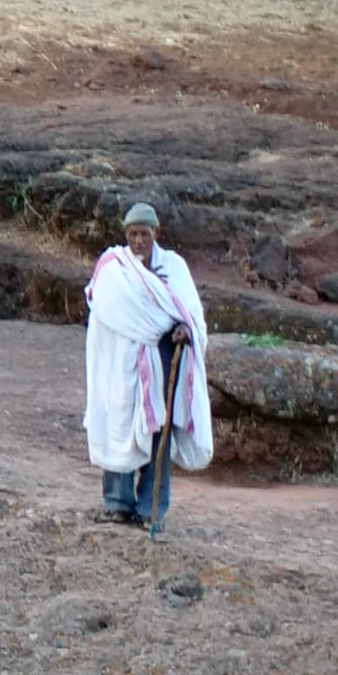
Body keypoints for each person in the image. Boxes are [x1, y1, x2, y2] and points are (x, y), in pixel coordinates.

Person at [84, 200, 210, 531]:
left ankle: (151, 509)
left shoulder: (174, 267)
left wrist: (185, 329)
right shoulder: (114, 267)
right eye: (133, 234)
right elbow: (102, 309)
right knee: (119, 427)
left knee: (159, 435)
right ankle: (117, 503)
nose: (138, 241)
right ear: (126, 234)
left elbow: (191, 314)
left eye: (144, 234)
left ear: (156, 234)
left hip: (163, 360)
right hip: (121, 364)